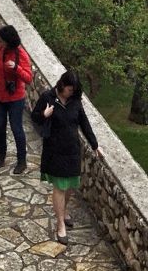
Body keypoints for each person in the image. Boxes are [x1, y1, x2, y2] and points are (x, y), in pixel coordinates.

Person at [31, 71, 103, 245]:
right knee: (60, 186)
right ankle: (60, 223)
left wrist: (95, 145)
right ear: (62, 85)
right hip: (54, 150)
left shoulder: (75, 102)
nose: (70, 93)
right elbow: (35, 117)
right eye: (69, 90)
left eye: (73, 90)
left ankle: (63, 211)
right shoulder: (48, 97)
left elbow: (84, 123)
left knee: (71, 184)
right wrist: (44, 115)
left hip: (72, 150)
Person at [0, 23, 32, 174]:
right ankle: (1, 155)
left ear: (8, 41)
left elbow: (28, 78)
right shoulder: (0, 51)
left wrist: (16, 68)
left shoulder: (20, 55)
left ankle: (21, 160)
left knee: (16, 128)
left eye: (1, 41)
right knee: (0, 126)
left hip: (15, 98)